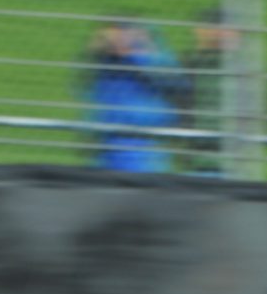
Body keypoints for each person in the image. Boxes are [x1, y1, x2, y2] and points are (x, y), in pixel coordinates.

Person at [79, 20, 181, 174]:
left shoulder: (152, 63)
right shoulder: (106, 67)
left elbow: (171, 85)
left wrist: (137, 54)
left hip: (143, 154)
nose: (121, 42)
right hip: (108, 151)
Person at [177, 9, 237, 176]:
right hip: (196, 159)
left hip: (230, 161)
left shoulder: (244, 70)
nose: (222, 35)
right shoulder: (187, 64)